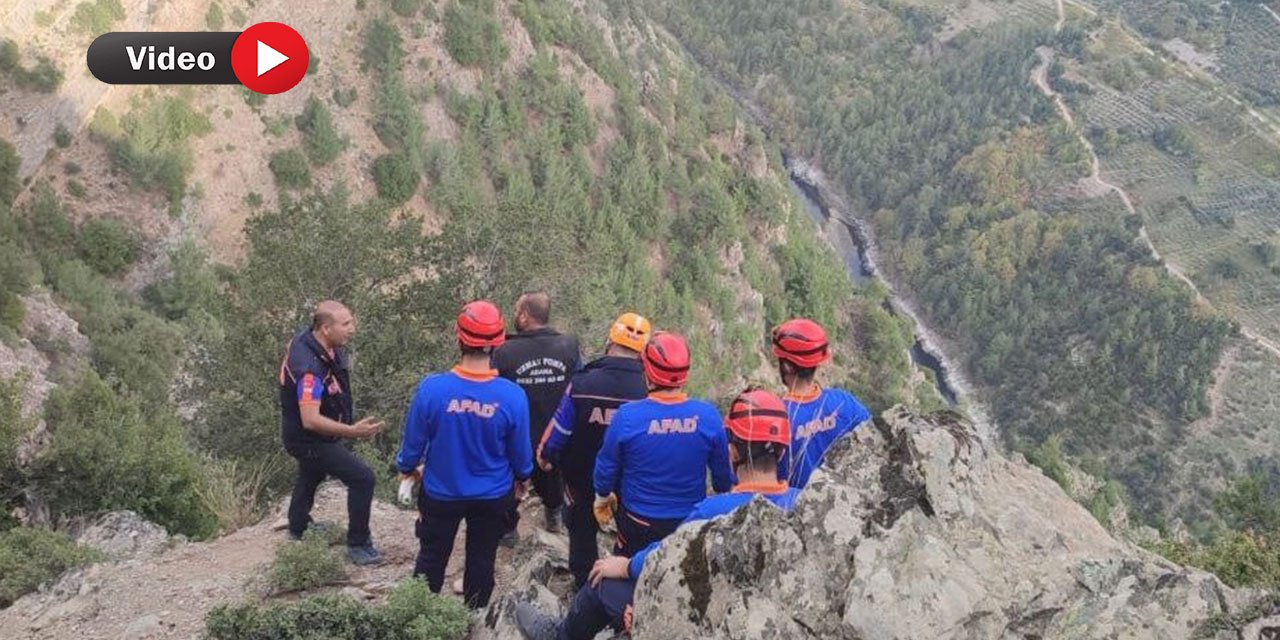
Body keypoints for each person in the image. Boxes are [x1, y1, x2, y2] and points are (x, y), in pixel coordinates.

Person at [514, 389, 801, 640]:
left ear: (734, 450)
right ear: (781, 449)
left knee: (602, 583)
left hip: (702, 613)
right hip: (770, 614)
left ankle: (560, 636)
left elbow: (667, 553)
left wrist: (625, 567)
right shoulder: (802, 503)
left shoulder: (712, 512)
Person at [395, 300, 533, 609]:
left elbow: (413, 444)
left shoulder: (432, 389)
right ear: (498, 343)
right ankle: (475, 618)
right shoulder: (512, 396)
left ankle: (420, 617)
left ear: (459, 337)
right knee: (481, 559)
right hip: (492, 493)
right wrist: (523, 478)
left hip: (442, 491)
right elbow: (521, 453)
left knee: (431, 557)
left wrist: (406, 468)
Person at [592, 332, 734, 557]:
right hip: (689, 519)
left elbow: (607, 465)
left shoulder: (628, 416)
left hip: (639, 519)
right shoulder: (707, 416)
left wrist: (602, 494)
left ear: (647, 371)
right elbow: (722, 476)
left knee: (628, 571)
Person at [537, 312, 651, 588]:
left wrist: (546, 456)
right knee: (630, 537)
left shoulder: (583, 383)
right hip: (630, 482)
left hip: (582, 479)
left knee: (581, 534)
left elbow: (559, 431)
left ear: (611, 338)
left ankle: (584, 589)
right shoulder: (648, 389)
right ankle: (625, 588)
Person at [279, 300, 384, 565]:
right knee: (363, 478)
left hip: (307, 436)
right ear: (325, 328)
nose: (352, 328)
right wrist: (352, 431)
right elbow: (311, 419)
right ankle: (358, 545)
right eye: (345, 324)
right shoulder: (310, 371)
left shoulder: (310, 339)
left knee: (311, 472)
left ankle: (299, 525)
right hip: (308, 438)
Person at [492, 291, 581, 537]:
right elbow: (579, 387)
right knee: (553, 481)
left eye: (516, 310)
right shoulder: (569, 346)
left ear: (524, 316)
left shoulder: (504, 352)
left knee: (509, 484)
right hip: (555, 435)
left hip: (515, 436)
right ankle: (554, 517)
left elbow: (491, 391)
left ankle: (507, 528)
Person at [771, 318, 872, 488]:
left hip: (788, 506)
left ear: (787, 366)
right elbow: (872, 437)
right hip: (839, 499)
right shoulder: (844, 403)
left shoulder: (773, 418)